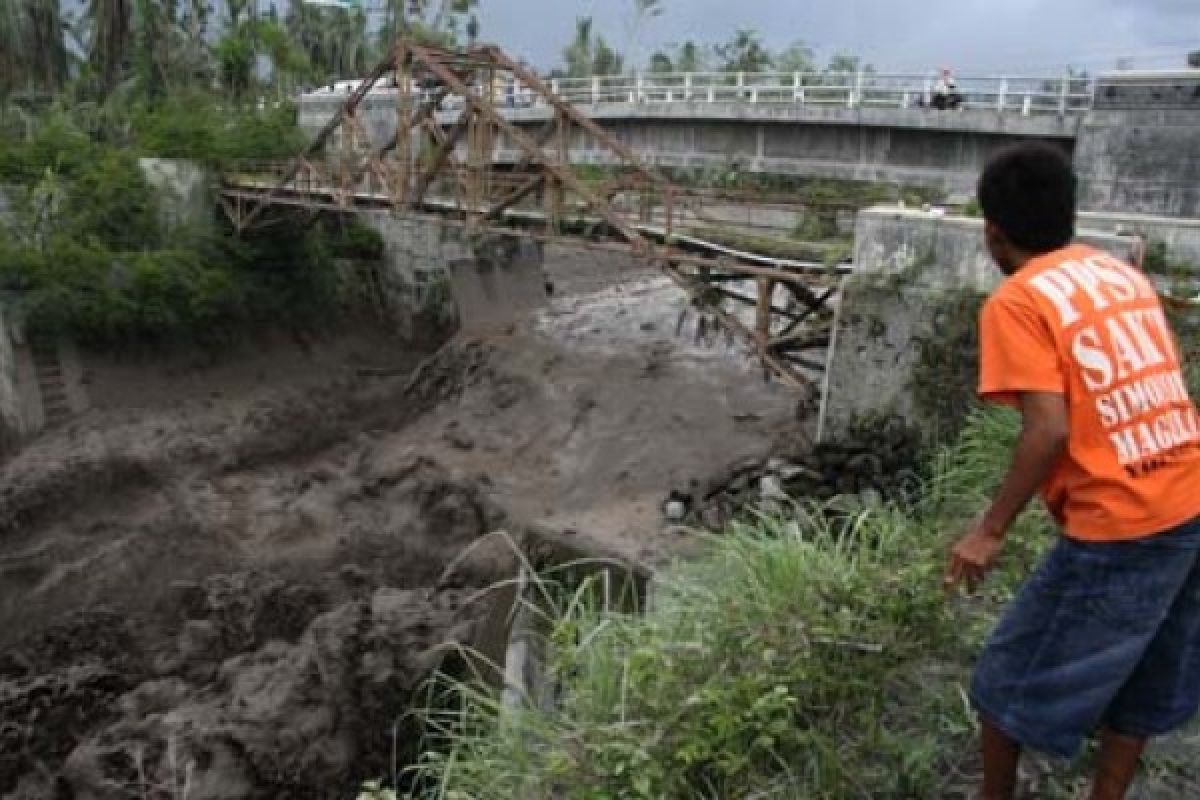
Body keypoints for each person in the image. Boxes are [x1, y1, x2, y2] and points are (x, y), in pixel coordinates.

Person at [945, 142, 1200, 800]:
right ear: (1069, 215)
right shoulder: (1117, 273)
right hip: (1190, 495)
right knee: (1147, 675)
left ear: (992, 234)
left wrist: (990, 530)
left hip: (1123, 520)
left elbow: (1049, 428)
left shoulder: (1017, 301)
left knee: (1002, 684)